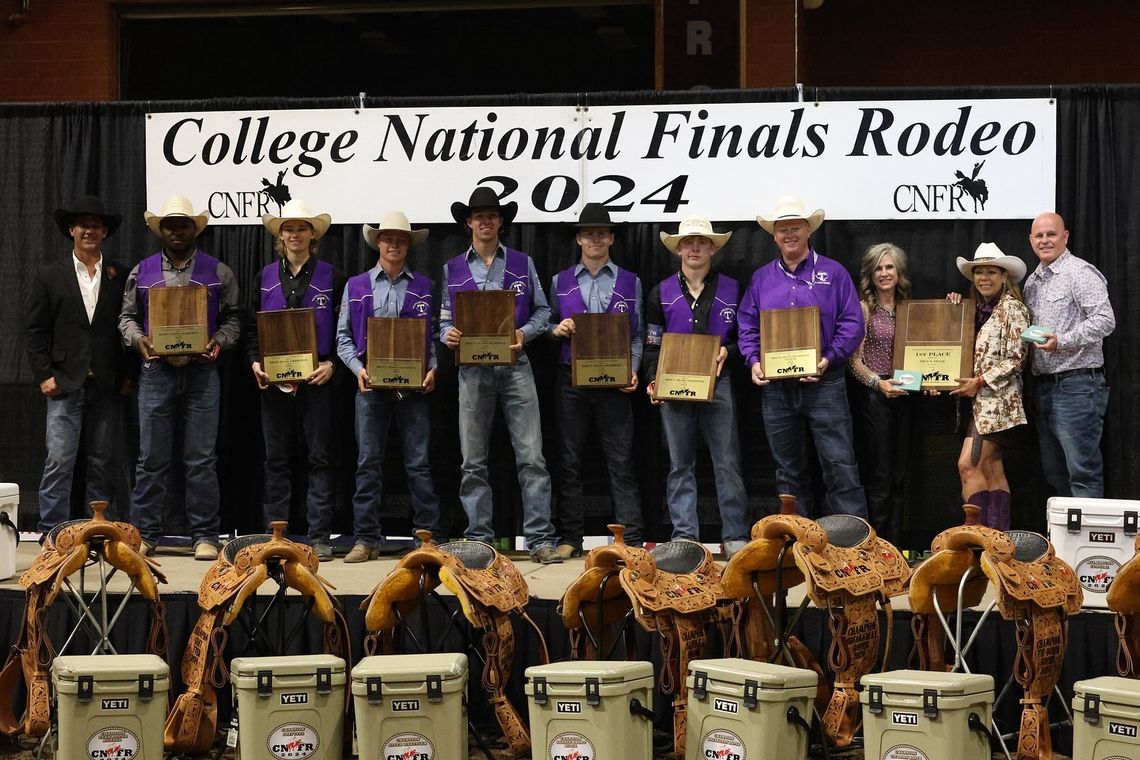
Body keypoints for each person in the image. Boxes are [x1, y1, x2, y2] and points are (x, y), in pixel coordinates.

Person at [439, 187, 562, 564]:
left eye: (492, 215)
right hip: (472, 372)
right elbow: (444, 320)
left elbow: (543, 312)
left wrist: (526, 333)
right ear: (468, 223)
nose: (485, 221)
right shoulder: (452, 268)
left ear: (501, 221)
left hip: (516, 367)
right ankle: (479, 538)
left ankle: (540, 538)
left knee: (532, 457)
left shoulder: (522, 264)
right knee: (472, 460)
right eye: (479, 216)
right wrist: (449, 335)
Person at [119, 196, 241, 559]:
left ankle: (204, 535)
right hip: (156, 372)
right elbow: (126, 318)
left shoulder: (219, 272)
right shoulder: (140, 273)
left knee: (201, 459)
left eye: (182, 224)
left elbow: (235, 319)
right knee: (151, 459)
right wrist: (138, 340)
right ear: (161, 230)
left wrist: (218, 342)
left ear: (194, 230)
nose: (176, 230)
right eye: (169, 225)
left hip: (203, 374)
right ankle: (145, 533)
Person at [738, 195, 867, 518]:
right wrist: (753, 361)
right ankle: (798, 541)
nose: (789, 234)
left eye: (795, 227)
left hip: (825, 384)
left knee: (840, 464)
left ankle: (851, 544)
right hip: (776, 389)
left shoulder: (834, 273)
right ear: (774, 235)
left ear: (808, 230)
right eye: (782, 229)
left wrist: (828, 359)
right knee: (787, 470)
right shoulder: (761, 279)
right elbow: (747, 325)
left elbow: (852, 324)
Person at [337, 210, 442, 562]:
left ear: (408, 246)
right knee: (368, 462)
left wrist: (433, 368)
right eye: (387, 238)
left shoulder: (425, 285)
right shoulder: (356, 285)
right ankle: (366, 539)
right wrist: (357, 369)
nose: (393, 244)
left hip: (414, 389)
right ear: (377, 243)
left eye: (400, 239)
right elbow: (343, 339)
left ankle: (426, 538)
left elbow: (429, 339)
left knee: (419, 464)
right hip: (370, 388)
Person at [643, 216, 749, 557]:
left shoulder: (735, 288)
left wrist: (728, 352)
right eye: (688, 242)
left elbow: (746, 337)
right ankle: (685, 536)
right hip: (673, 388)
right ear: (678, 250)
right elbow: (651, 343)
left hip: (719, 384)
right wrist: (651, 378)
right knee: (679, 464)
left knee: (727, 461)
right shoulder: (659, 291)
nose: (694, 248)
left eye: (701, 242)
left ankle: (735, 536)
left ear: (713, 247)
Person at [26, 196, 127, 535]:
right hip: (64, 380)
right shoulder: (49, 275)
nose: (89, 230)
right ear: (71, 230)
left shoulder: (118, 273)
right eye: (83, 224)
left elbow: (125, 326)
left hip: (107, 382)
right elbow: (35, 329)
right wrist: (43, 375)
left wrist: (125, 377)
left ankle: (95, 530)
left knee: (102, 461)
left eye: (96, 225)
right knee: (59, 460)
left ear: (104, 232)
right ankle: (51, 530)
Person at [249, 199, 344, 560]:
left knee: (319, 458)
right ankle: (276, 533)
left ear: (312, 235)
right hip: (274, 384)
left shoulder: (332, 276)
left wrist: (332, 363)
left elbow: (344, 328)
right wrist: (254, 362)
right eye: (288, 229)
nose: (294, 235)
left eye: (301, 228)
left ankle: (319, 535)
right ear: (281, 236)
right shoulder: (264, 276)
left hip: (318, 381)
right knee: (276, 459)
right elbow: (251, 328)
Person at [548, 203, 644, 558]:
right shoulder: (560, 281)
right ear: (578, 238)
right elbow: (545, 321)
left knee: (621, 461)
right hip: (571, 380)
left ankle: (630, 539)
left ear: (612, 238)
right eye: (588, 233)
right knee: (570, 461)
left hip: (614, 384)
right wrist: (555, 329)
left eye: (601, 233)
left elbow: (637, 335)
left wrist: (633, 368)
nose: (595, 239)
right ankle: (571, 538)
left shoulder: (631, 281)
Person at [1023, 212, 1115, 498]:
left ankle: (1087, 543)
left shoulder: (1080, 272)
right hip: (1044, 388)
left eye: (1051, 234)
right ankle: (1064, 542)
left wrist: (1062, 341)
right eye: (1039, 235)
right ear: (1030, 241)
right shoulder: (1031, 283)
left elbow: (1105, 320)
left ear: (1065, 236)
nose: (1045, 240)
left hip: (1077, 387)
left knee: (1083, 473)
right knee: (1054, 474)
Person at [949, 243, 1030, 531]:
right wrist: (954, 310)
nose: (984, 277)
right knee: (991, 468)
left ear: (1004, 276)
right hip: (979, 403)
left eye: (991, 271)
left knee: (967, 466)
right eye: (979, 272)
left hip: (998, 402)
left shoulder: (1012, 309)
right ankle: (998, 542)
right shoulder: (976, 309)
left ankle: (979, 538)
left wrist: (980, 381)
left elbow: (1017, 358)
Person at [847, 243, 915, 542]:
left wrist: (952, 305)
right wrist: (878, 383)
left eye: (889, 267)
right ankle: (877, 545)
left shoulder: (911, 307)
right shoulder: (864, 309)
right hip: (876, 396)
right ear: (870, 274)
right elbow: (853, 362)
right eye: (878, 268)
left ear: (899, 272)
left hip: (908, 395)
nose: (884, 273)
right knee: (880, 475)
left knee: (902, 474)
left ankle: (897, 545)